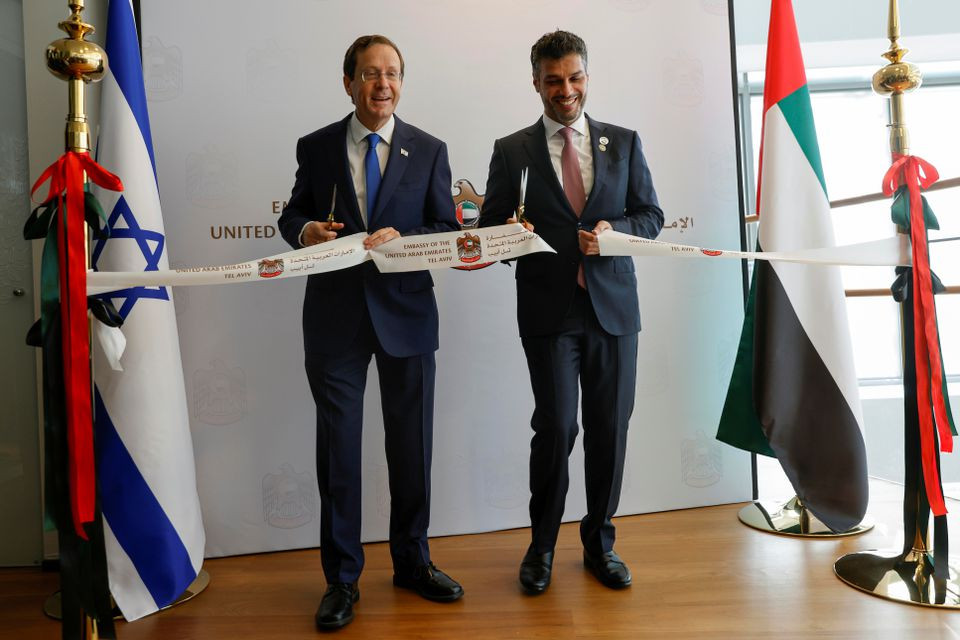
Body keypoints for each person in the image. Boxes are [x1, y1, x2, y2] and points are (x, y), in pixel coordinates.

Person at [278, 34, 463, 631]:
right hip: (335, 320)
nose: (383, 83)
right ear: (348, 82)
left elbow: (445, 226)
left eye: (393, 73)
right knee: (339, 455)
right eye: (370, 73)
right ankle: (342, 581)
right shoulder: (316, 146)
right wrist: (305, 231)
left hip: (407, 316)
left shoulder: (428, 150)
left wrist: (405, 243)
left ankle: (412, 563)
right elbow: (292, 213)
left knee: (412, 448)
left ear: (401, 83)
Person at [479, 30, 663, 594]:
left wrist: (616, 231)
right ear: (536, 82)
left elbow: (651, 215)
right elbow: (489, 229)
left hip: (613, 310)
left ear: (587, 77)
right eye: (554, 80)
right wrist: (510, 234)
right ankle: (541, 546)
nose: (566, 90)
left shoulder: (624, 142)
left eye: (575, 77)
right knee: (556, 429)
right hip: (548, 311)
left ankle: (599, 543)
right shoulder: (512, 150)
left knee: (610, 428)